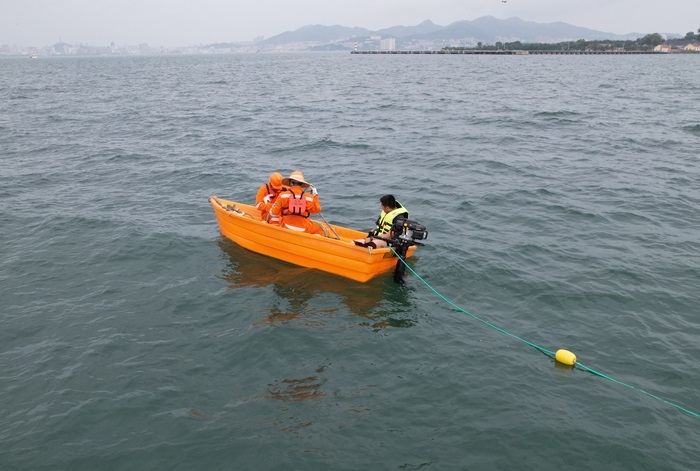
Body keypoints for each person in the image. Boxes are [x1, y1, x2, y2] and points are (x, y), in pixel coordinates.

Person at [270, 170, 323, 235]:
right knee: (320, 229)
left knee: (275, 217)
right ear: (301, 184)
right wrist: (315, 195)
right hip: (304, 228)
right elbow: (317, 210)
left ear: (290, 183)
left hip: (286, 226)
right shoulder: (309, 198)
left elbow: (273, 212)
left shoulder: (283, 195)